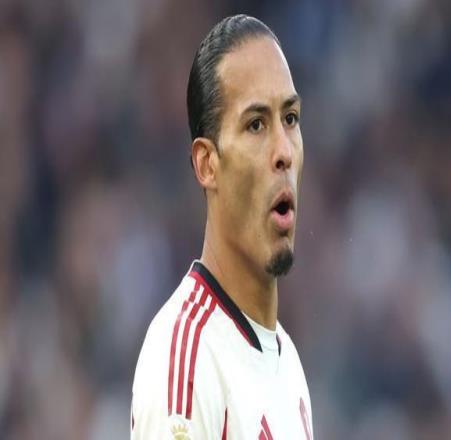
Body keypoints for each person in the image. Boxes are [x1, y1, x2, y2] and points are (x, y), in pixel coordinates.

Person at [131, 14, 313, 439]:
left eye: (290, 118)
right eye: (256, 124)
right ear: (207, 164)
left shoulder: (286, 362)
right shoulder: (187, 359)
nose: (284, 152)